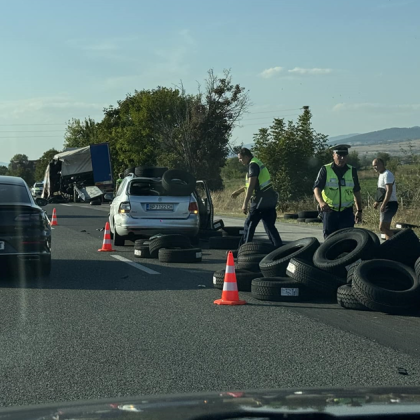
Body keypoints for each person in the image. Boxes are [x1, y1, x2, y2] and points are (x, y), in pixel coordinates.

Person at [231, 148, 283, 248]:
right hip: (269, 198)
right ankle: (279, 249)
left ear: (246, 157)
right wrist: (238, 192)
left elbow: (251, 186)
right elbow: (252, 185)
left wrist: (245, 204)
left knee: (249, 224)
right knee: (269, 226)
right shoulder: (257, 163)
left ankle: (244, 250)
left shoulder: (253, 165)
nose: (240, 161)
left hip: (260, 200)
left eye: (240, 158)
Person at [313, 144, 363, 239]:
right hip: (329, 211)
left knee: (347, 240)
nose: (342, 158)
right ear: (333, 155)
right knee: (329, 240)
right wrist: (321, 202)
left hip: (346, 212)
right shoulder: (325, 170)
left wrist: (359, 210)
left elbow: (356, 191)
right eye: (339, 155)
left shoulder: (352, 170)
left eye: (344, 156)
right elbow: (316, 188)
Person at [372, 158, 398, 239]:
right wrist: (377, 201)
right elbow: (381, 191)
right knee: (385, 228)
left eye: (377, 165)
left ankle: (397, 243)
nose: (375, 167)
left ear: (382, 164)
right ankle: (390, 245)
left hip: (390, 204)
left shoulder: (387, 174)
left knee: (383, 227)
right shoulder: (381, 175)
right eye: (373, 166)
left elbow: (389, 190)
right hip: (387, 204)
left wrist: (383, 204)